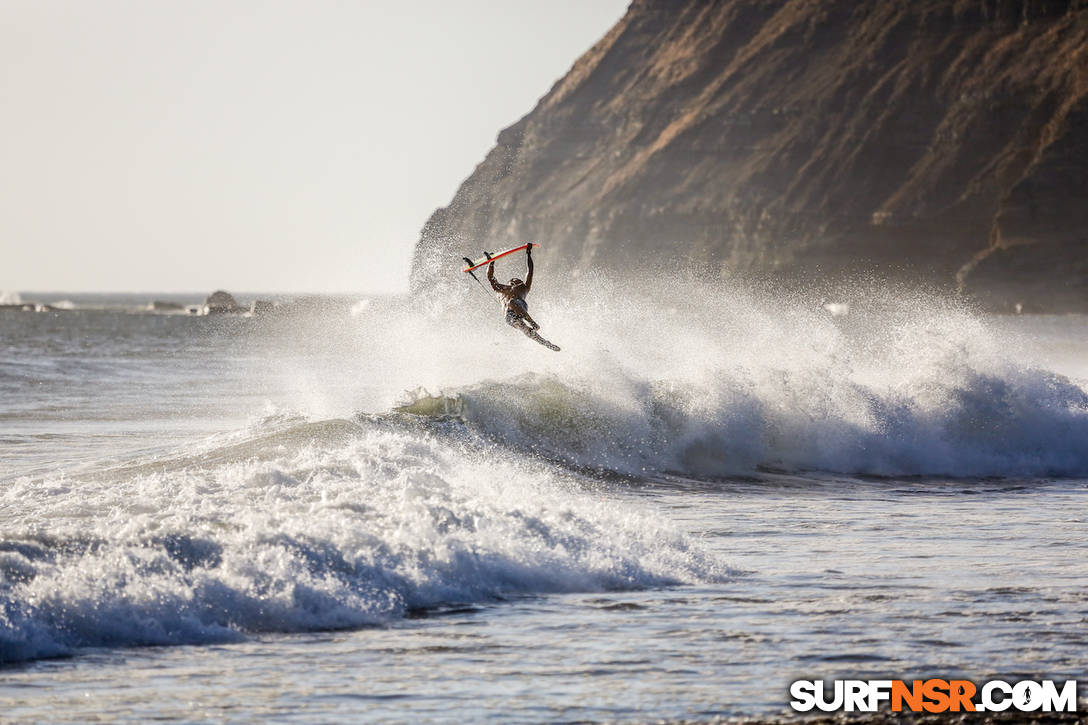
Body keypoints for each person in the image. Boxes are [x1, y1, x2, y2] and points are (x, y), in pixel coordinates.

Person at [488, 245, 541, 336]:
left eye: (517, 279)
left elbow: (530, 271)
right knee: (525, 329)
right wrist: (491, 263)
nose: (514, 280)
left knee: (511, 302)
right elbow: (491, 278)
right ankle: (546, 343)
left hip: (519, 305)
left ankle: (533, 323)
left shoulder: (523, 287)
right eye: (512, 280)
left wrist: (528, 253)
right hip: (508, 316)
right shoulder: (502, 289)